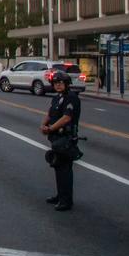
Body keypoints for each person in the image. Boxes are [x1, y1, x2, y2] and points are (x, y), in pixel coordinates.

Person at [41, 70, 81, 211]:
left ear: (66, 84)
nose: (57, 85)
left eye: (60, 83)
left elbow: (67, 118)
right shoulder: (56, 97)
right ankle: (60, 195)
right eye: (55, 83)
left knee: (64, 169)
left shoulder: (71, 97)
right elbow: (49, 113)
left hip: (66, 138)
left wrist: (50, 128)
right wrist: (43, 125)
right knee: (57, 166)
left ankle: (66, 200)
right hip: (56, 138)